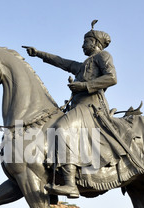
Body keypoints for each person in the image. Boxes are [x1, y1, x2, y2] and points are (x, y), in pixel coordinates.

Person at [24, 21, 118, 198]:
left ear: (95, 43)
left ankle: (70, 184)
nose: (83, 45)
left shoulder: (103, 56)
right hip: (77, 106)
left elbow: (112, 78)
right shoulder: (83, 65)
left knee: (61, 129)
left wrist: (84, 85)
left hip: (91, 107)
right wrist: (38, 53)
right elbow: (61, 62)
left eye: (86, 42)